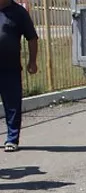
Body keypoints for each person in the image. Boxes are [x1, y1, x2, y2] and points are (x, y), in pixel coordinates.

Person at [0, 0, 38, 153]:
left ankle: (12, 139)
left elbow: (32, 38)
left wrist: (32, 61)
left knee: (12, 105)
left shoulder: (19, 12)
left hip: (10, 68)